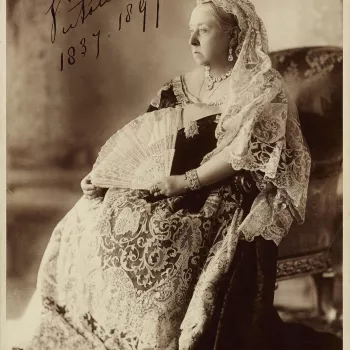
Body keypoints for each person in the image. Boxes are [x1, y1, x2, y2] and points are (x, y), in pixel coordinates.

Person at [17, 1, 341, 349]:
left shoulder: (261, 88)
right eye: (190, 30)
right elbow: (143, 140)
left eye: (203, 30)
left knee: (165, 230)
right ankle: (95, 330)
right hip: (162, 184)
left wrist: (185, 182)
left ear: (234, 34)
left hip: (219, 192)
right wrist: (101, 178)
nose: (191, 40)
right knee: (90, 214)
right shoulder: (180, 86)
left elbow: (243, 154)